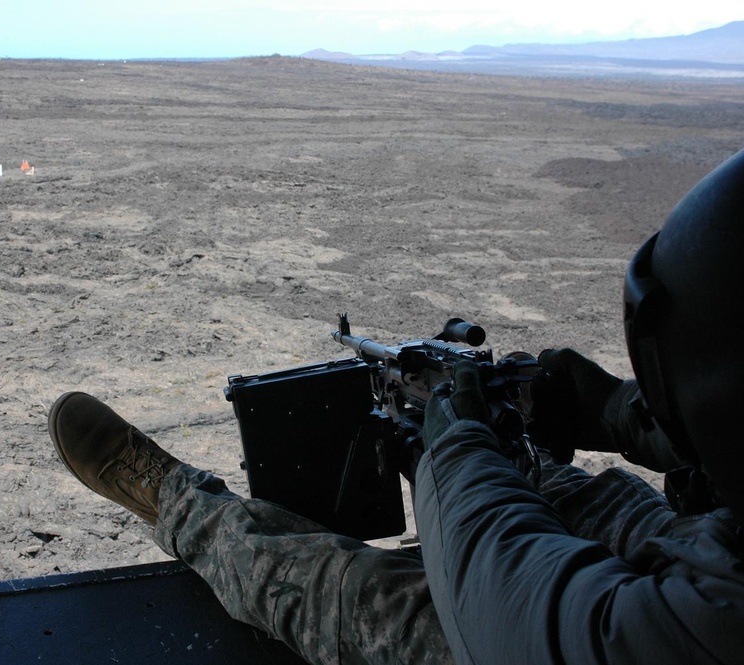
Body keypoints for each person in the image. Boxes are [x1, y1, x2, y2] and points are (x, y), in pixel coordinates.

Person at [48, 148, 744, 665]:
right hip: (704, 545)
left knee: (352, 594)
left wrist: (454, 444)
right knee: (572, 494)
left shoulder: (716, 627)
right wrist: (624, 414)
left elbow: (505, 608)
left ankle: (176, 501)